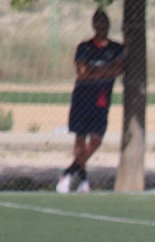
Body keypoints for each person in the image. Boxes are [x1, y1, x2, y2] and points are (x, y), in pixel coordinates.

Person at [57, 9, 124, 194]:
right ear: (94, 25)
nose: (101, 26)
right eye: (98, 22)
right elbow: (82, 73)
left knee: (95, 140)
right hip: (82, 97)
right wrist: (103, 72)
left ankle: (68, 172)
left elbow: (117, 69)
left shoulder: (116, 49)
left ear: (109, 25)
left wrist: (98, 72)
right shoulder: (84, 48)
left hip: (101, 100)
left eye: (104, 22)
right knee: (80, 139)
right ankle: (83, 181)